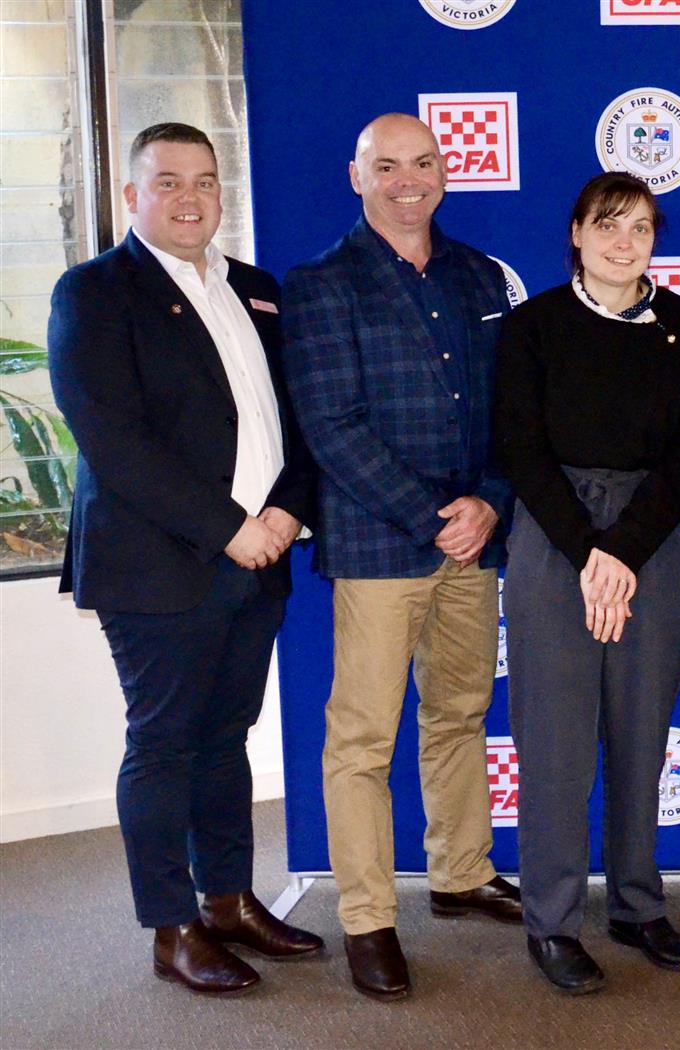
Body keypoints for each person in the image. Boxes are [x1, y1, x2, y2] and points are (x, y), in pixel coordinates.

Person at [47, 122, 323, 994]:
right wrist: (229, 526)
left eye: (205, 181)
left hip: (262, 559)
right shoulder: (92, 292)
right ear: (133, 195)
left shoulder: (257, 289)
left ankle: (229, 901)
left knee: (224, 741)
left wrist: (283, 513)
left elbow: (299, 416)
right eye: (168, 182)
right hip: (158, 566)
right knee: (164, 745)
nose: (191, 197)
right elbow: (115, 443)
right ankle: (169, 930)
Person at [281, 113, 521, 1002]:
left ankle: (460, 873)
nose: (408, 180)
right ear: (358, 178)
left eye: (423, 163)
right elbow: (331, 429)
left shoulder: (482, 277)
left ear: (445, 171)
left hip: (474, 539)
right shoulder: (321, 285)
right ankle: (367, 919)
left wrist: (489, 502)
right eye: (387, 166)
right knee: (363, 740)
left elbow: (510, 411)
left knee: (459, 712)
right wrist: (435, 517)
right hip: (383, 543)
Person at [493, 172, 680, 994]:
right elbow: (520, 449)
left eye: (643, 228)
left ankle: (636, 904)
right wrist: (589, 551)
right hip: (556, 542)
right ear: (577, 234)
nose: (626, 242)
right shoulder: (533, 326)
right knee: (553, 740)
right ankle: (551, 922)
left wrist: (623, 549)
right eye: (608, 225)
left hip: (653, 540)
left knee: (640, 732)